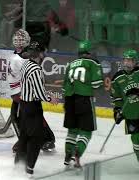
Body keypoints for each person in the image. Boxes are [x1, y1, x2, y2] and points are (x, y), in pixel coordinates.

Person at [8, 29, 56, 153]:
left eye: (21, 39)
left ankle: (32, 141)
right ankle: (46, 139)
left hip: (23, 94)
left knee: (19, 117)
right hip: (19, 93)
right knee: (24, 116)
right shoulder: (19, 56)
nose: (18, 42)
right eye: (17, 39)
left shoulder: (22, 59)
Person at [15, 41, 59, 176]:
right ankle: (29, 167)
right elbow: (39, 93)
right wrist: (51, 99)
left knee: (24, 136)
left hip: (24, 105)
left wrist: (46, 93)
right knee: (37, 137)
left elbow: (33, 88)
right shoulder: (36, 69)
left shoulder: (25, 65)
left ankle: (18, 165)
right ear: (39, 54)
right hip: (33, 107)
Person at [62, 40, 103, 168]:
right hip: (84, 99)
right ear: (89, 52)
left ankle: (67, 156)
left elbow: (64, 87)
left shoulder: (71, 64)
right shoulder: (93, 63)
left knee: (72, 131)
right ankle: (77, 153)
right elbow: (97, 84)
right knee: (86, 132)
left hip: (69, 100)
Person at [110, 49, 139, 162]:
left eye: (130, 60)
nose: (127, 63)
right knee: (136, 138)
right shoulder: (117, 78)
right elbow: (116, 97)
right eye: (125, 60)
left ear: (135, 61)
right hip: (131, 113)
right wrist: (117, 110)